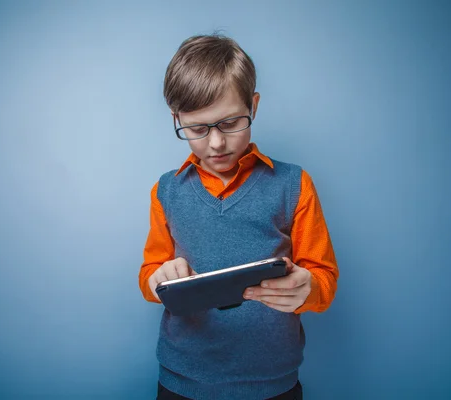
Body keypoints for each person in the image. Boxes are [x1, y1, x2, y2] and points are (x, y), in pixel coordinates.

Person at [139, 34, 339, 400]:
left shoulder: (293, 184)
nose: (216, 143)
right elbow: (149, 276)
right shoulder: (166, 191)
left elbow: (324, 281)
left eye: (231, 123)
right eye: (197, 129)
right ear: (176, 118)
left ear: (254, 105)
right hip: (182, 380)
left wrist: (307, 288)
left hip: (274, 384)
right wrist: (157, 280)